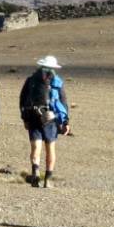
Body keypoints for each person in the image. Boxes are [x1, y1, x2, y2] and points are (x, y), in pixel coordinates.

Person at [18, 55, 69, 188]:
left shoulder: (31, 80)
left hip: (33, 116)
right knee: (50, 149)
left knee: (35, 147)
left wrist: (25, 118)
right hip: (50, 119)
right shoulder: (57, 81)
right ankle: (48, 179)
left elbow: (22, 100)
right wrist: (66, 122)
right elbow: (63, 102)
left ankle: (35, 172)